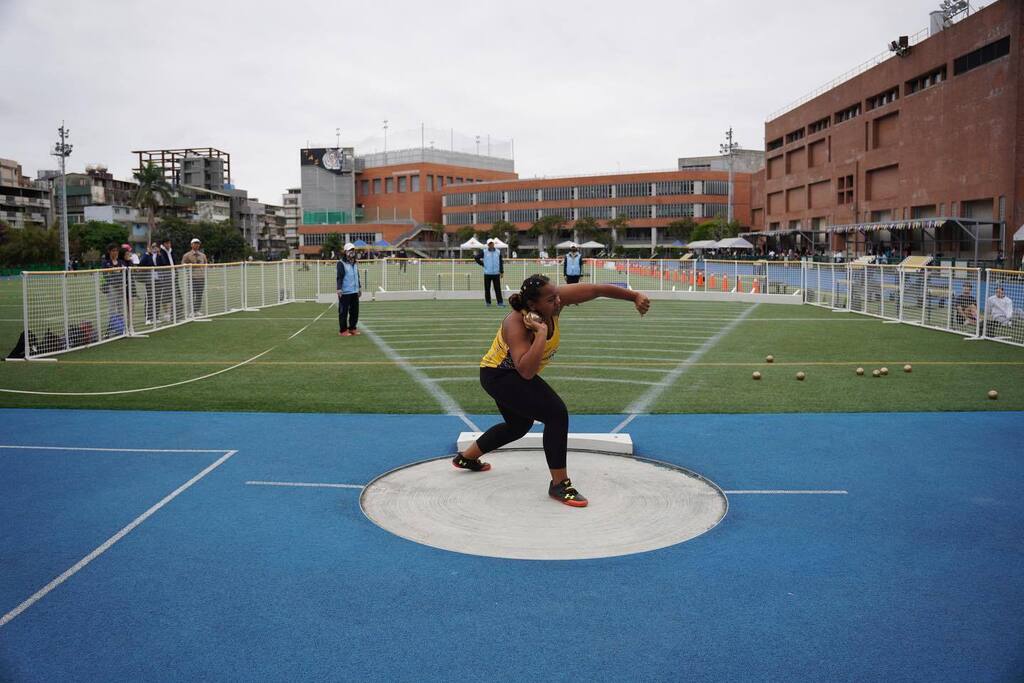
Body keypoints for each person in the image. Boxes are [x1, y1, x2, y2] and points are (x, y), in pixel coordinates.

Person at [453, 274, 651, 507]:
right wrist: (539, 333)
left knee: (518, 426)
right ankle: (559, 484)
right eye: (551, 300)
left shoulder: (554, 299)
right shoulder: (516, 324)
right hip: (499, 376)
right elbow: (526, 371)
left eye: (557, 295)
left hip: (511, 374)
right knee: (556, 414)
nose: (558, 302)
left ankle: (467, 458)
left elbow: (597, 289)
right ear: (531, 305)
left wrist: (634, 296)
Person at [336, 245, 361, 336]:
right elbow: (339, 277)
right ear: (345, 252)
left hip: (354, 291)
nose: (352, 252)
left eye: (353, 250)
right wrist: (339, 288)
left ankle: (352, 328)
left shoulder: (355, 262)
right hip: (345, 291)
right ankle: (343, 330)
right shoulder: (341, 263)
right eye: (350, 250)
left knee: (355, 312)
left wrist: (359, 288)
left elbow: (357, 276)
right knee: (343, 312)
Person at [181, 237, 208, 316]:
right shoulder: (187, 255)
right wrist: (189, 266)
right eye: (195, 243)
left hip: (201, 277)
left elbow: (206, 264)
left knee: (199, 294)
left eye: (198, 244)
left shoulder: (202, 255)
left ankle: (197, 309)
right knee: (192, 294)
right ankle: (191, 311)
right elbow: (182, 264)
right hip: (192, 277)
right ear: (191, 245)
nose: (197, 245)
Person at [474, 238, 504, 306]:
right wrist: (482, 264)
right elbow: (476, 257)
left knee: (498, 289)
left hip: (496, 273)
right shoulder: (484, 252)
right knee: (487, 289)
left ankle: (500, 302)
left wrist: (501, 271)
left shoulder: (498, 252)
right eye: (489, 244)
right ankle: (488, 302)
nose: (491, 245)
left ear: (493, 244)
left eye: (492, 243)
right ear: (488, 245)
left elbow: (501, 262)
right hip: (487, 273)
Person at [138, 242, 160, 324]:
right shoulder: (146, 255)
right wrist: (148, 253)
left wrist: (159, 254)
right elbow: (141, 264)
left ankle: (156, 317)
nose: (154, 248)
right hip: (149, 280)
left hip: (158, 279)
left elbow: (163, 263)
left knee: (157, 298)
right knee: (149, 298)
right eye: (152, 247)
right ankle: (148, 317)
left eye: (155, 247)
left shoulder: (158, 255)